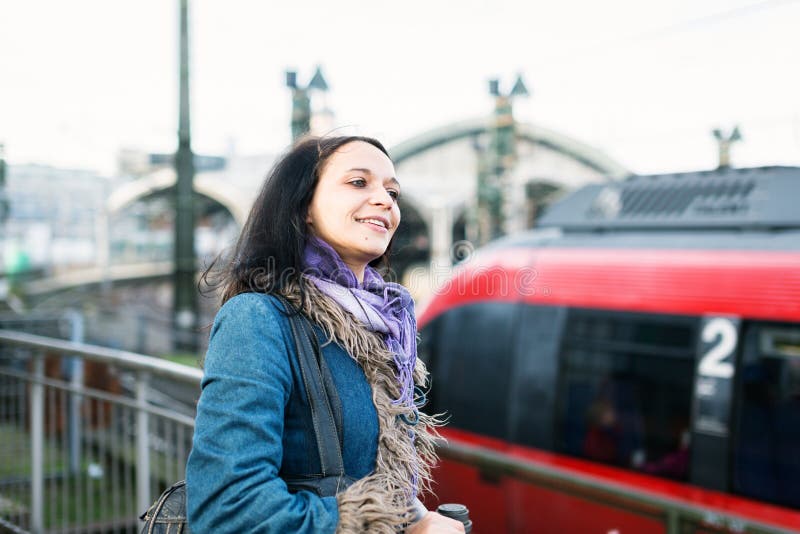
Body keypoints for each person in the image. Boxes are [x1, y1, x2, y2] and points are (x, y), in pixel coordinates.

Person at [186, 136, 465, 533]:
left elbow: (360, 470)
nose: (385, 200)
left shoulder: (381, 329)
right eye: (358, 183)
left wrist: (416, 515)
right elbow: (228, 510)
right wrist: (384, 525)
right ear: (304, 208)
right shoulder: (257, 318)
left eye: (392, 191)